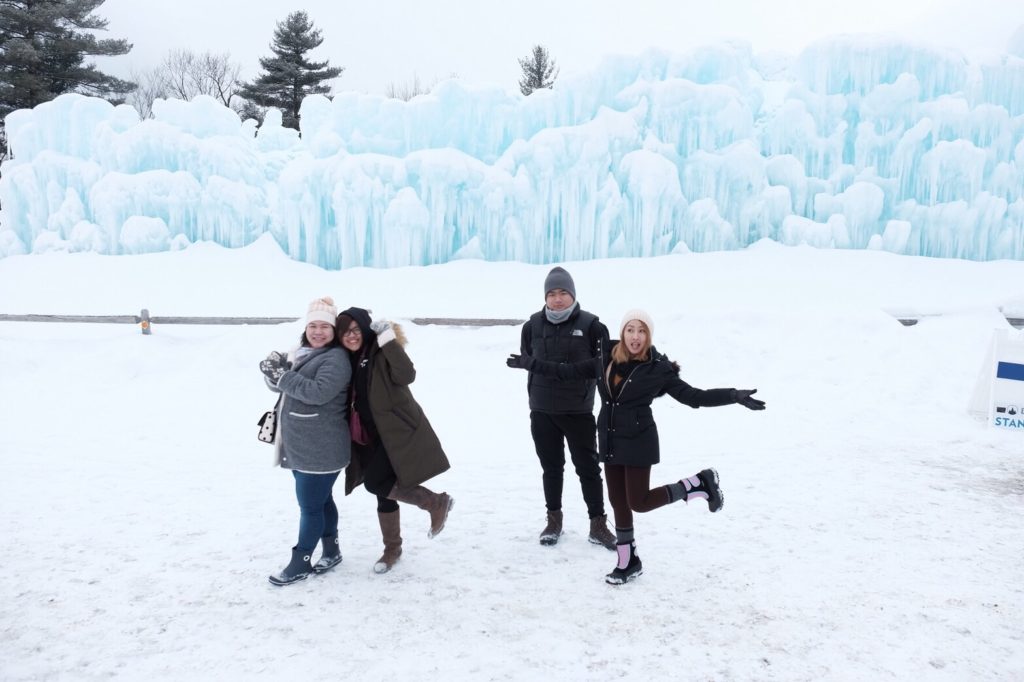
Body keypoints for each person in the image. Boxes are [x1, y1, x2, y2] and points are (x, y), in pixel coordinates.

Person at [508, 309, 766, 585]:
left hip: (638, 441)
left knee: (638, 502)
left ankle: (697, 484)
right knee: (619, 502)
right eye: (630, 329)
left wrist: (733, 396)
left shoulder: (657, 369)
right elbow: (567, 371)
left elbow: (694, 397)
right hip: (609, 440)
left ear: (648, 336)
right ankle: (627, 561)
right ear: (622, 333)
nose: (635, 336)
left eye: (641, 331)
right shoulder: (604, 359)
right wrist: (531, 364)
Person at [336, 306, 453, 574]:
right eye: (345, 332)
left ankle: (435, 502)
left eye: (356, 330)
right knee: (382, 490)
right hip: (366, 437)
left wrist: (388, 340)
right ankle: (392, 549)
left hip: (395, 433)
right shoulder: (345, 359)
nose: (351, 336)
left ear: (366, 329)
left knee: (377, 482)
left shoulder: (380, 351)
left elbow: (406, 374)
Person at [507, 266, 616, 550]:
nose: (557, 299)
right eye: (552, 293)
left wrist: (564, 371)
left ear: (573, 294)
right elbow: (528, 360)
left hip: (578, 411)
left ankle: (598, 524)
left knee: (588, 469)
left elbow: (601, 366)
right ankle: (553, 521)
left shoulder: (593, 326)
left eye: (563, 293)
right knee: (551, 468)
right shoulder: (532, 325)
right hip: (542, 411)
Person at [259, 296, 352, 586]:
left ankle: (301, 562)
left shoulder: (336, 359)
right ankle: (332, 551)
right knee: (322, 501)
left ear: (334, 331)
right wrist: (272, 372)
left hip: (320, 448)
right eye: (313, 325)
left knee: (310, 507)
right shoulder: (302, 352)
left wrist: (283, 374)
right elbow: (281, 385)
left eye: (325, 326)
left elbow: (317, 392)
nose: (318, 332)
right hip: (303, 445)